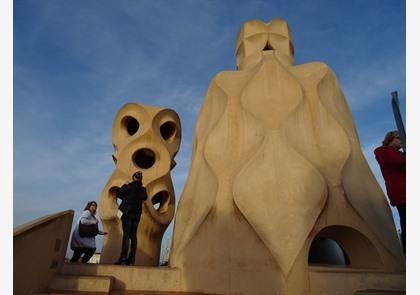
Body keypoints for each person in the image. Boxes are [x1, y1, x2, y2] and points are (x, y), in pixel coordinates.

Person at [374, 130, 406, 253]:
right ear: (390, 139)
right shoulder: (383, 151)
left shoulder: (399, 153)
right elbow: (399, 162)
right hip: (401, 191)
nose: (401, 140)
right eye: (399, 138)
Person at [115, 171, 148, 265]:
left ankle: (123, 257)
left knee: (126, 235)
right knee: (133, 235)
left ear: (133, 177)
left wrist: (125, 185)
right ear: (141, 179)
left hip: (127, 213)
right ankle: (132, 258)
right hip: (137, 214)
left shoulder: (129, 187)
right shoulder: (143, 189)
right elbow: (145, 197)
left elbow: (119, 193)